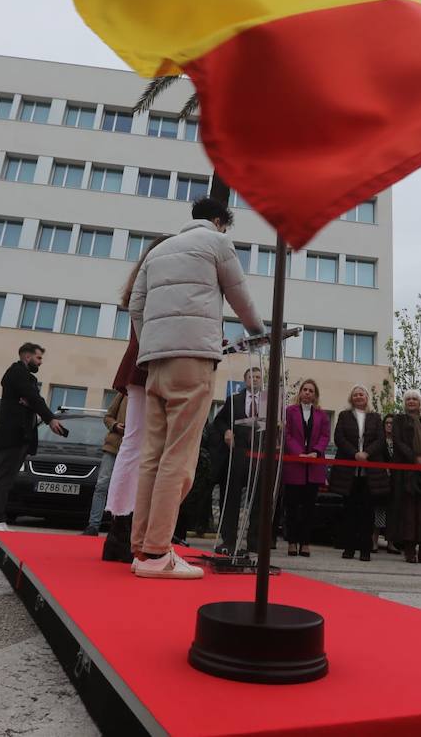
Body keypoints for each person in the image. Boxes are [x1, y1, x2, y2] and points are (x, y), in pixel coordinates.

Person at [127, 196, 264, 579]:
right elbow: (239, 294)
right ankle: (157, 553)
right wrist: (257, 332)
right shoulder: (216, 243)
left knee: (152, 454)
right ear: (220, 221)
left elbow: (135, 306)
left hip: (155, 362)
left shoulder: (159, 250)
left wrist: (151, 342)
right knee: (179, 455)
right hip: (194, 358)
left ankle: (140, 546)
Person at [100, 237, 167, 563]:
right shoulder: (159, 282)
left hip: (139, 363)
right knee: (142, 445)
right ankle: (125, 525)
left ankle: (119, 524)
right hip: (149, 363)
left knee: (135, 444)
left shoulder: (144, 280)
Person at [0, 344, 67, 533]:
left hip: (20, 434)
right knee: (5, 478)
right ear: (27, 357)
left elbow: (33, 398)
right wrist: (50, 418)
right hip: (13, 434)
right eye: (38, 358)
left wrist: (30, 403)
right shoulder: (17, 373)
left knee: (4, 477)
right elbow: (33, 397)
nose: (40, 362)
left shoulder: (25, 376)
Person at [209, 366, 268, 554]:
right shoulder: (234, 400)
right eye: (251, 376)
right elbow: (219, 421)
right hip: (236, 455)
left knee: (258, 499)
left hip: (259, 457)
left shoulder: (269, 401)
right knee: (231, 498)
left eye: (258, 377)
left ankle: (254, 542)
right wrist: (226, 431)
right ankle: (229, 541)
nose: (255, 379)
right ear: (245, 380)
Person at [329, 385, 387, 561]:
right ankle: (348, 547)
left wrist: (366, 453)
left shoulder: (375, 417)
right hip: (349, 471)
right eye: (355, 394)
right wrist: (355, 454)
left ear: (367, 397)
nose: (358, 397)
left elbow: (380, 439)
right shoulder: (344, 416)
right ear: (351, 398)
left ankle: (365, 549)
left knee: (367, 512)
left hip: (370, 473)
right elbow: (339, 437)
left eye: (361, 394)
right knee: (349, 511)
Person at [387, 390, 421, 564]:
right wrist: (415, 458)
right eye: (408, 399)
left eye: (415, 399)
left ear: (420, 403)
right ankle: (409, 550)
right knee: (408, 513)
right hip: (406, 474)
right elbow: (398, 442)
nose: (411, 401)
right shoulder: (399, 421)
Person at [282, 379, 330, 557]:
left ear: (315, 395)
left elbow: (325, 436)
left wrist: (316, 452)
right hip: (295, 464)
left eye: (311, 390)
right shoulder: (290, 411)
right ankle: (292, 542)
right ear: (300, 392)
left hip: (314, 466)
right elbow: (287, 435)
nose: (308, 393)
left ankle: (305, 542)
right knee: (292, 506)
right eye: (305, 389)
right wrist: (298, 453)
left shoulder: (322, 415)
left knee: (309, 508)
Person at [85, 392, 126, 536]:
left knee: (125, 490)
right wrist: (115, 425)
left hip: (134, 450)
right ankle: (93, 526)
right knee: (102, 485)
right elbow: (108, 416)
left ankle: (117, 530)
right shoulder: (123, 393)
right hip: (113, 447)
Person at [377, 415, 398, 553]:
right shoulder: (378, 440)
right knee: (379, 510)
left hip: (395, 480)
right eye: (387, 423)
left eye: (392, 423)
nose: (389, 425)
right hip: (380, 479)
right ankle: (373, 541)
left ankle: (391, 542)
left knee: (393, 512)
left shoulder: (399, 442)